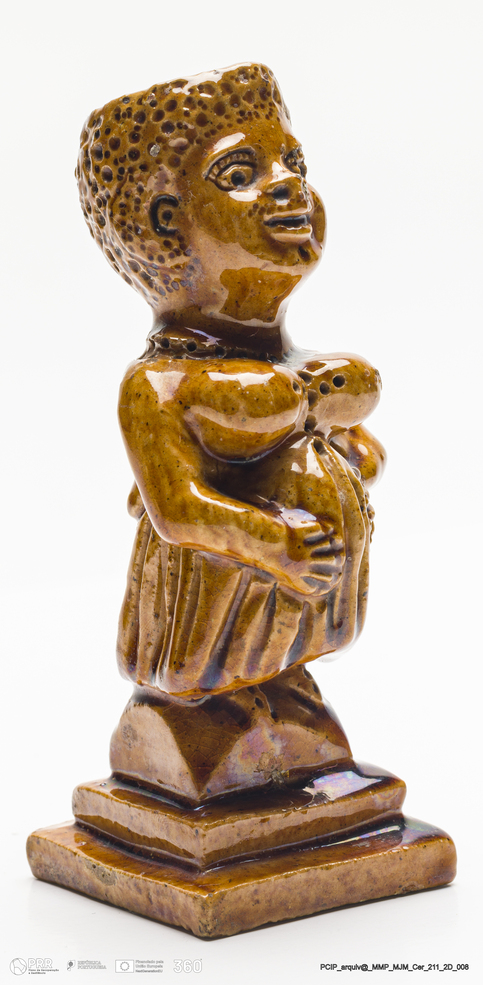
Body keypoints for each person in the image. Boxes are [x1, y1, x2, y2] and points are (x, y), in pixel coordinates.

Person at [77, 63, 385, 703]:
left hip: (291, 626)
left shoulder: (303, 368)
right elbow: (178, 510)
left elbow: (366, 459)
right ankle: (191, 731)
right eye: (241, 175)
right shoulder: (160, 385)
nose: (290, 185)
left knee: (292, 720)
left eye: (294, 164)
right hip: (207, 641)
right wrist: (276, 542)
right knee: (212, 717)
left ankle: (277, 712)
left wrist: (344, 452)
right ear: (166, 224)